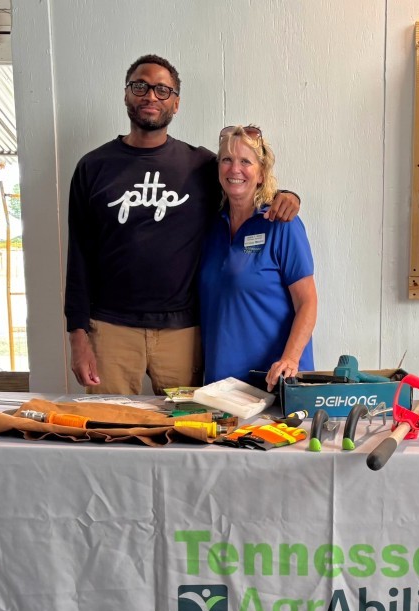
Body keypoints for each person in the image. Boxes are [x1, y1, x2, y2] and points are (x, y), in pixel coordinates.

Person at [63, 55, 300, 394]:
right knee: (108, 432)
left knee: (184, 431)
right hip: (110, 329)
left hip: (183, 333)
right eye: (140, 86)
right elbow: (79, 257)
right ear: (126, 94)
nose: (150, 96)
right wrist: (78, 337)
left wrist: (288, 195)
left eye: (163, 90)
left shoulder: (201, 165)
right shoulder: (93, 167)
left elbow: (245, 176)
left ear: (176, 103)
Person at [198, 125, 317, 391]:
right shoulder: (211, 228)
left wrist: (290, 359)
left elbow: (307, 301)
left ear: (261, 173)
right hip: (222, 385)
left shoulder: (281, 224)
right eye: (227, 160)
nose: (234, 169)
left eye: (245, 162)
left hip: (273, 382)